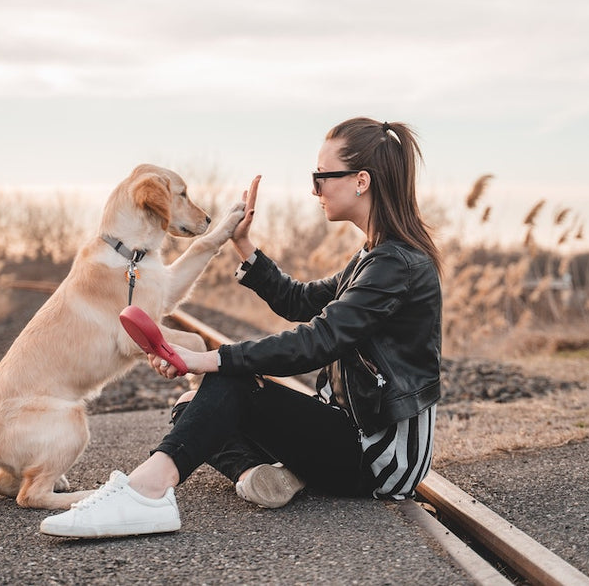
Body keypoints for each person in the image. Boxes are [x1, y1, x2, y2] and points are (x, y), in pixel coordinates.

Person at [40, 117, 443, 538]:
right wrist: (243, 244)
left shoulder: (395, 265)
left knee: (228, 386)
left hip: (379, 456)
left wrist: (211, 358)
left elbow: (317, 341)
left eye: (320, 177)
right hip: (349, 430)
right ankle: (261, 474)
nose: (313, 189)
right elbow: (300, 301)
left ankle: (146, 492)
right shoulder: (374, 256)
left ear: (361, 181)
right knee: (191, 407)